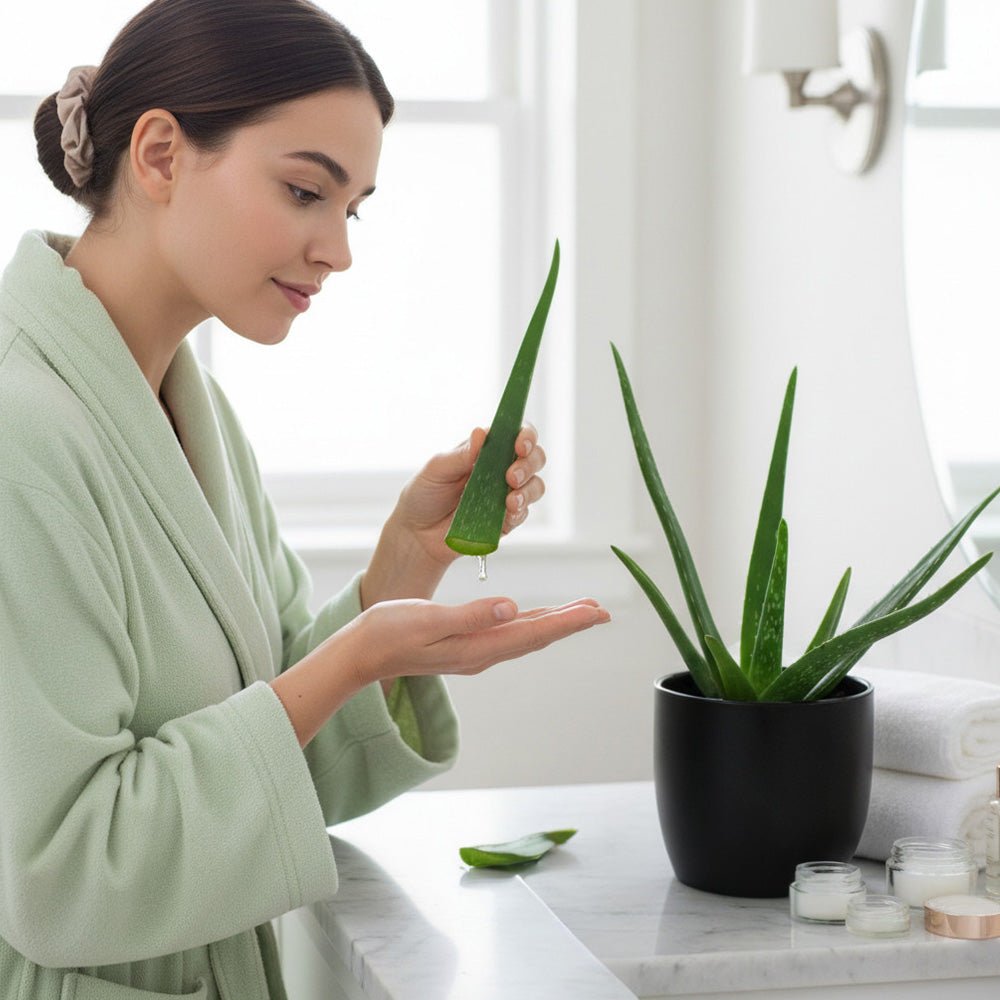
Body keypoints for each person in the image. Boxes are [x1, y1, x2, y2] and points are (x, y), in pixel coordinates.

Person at [0, 2, 610, 997]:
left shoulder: (190, 414)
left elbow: (281, 775)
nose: (337, 249)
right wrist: (361, 654)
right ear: (159, 153)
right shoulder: (17, 432)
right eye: (303, 191)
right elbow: (63, 873)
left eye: (352, 207)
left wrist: (401, 568)